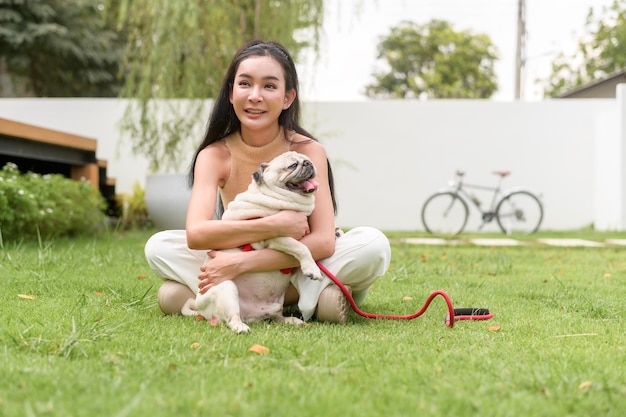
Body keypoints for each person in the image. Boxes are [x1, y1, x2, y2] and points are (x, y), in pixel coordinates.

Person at [144, 40, 391, 324]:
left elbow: (323, 241)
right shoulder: (215, 155)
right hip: (239, 257)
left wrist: (239, 264)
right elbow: (197, 234)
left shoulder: (308, 151)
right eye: (245, 84)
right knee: (158, 246)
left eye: (269, 86)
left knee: (374, 246)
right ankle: (317, 298)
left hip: (294, 264)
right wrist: (273, 226)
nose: (255, 96)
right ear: (231, 93)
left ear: (287, 98)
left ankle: (207, 297)